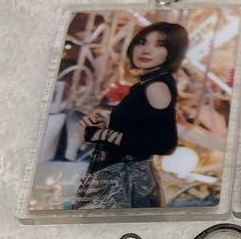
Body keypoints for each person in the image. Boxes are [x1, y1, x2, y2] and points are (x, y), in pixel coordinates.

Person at [73, 22, 188, 209]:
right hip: (118, 175)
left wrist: (100, 134)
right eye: (142, 42)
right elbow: (141, 131)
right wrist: (107, 125)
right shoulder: (146, 84)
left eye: (159, 45)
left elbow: (164, 144)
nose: (146, 50)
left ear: (173, 52)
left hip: (125, 181)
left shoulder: (156, 87)